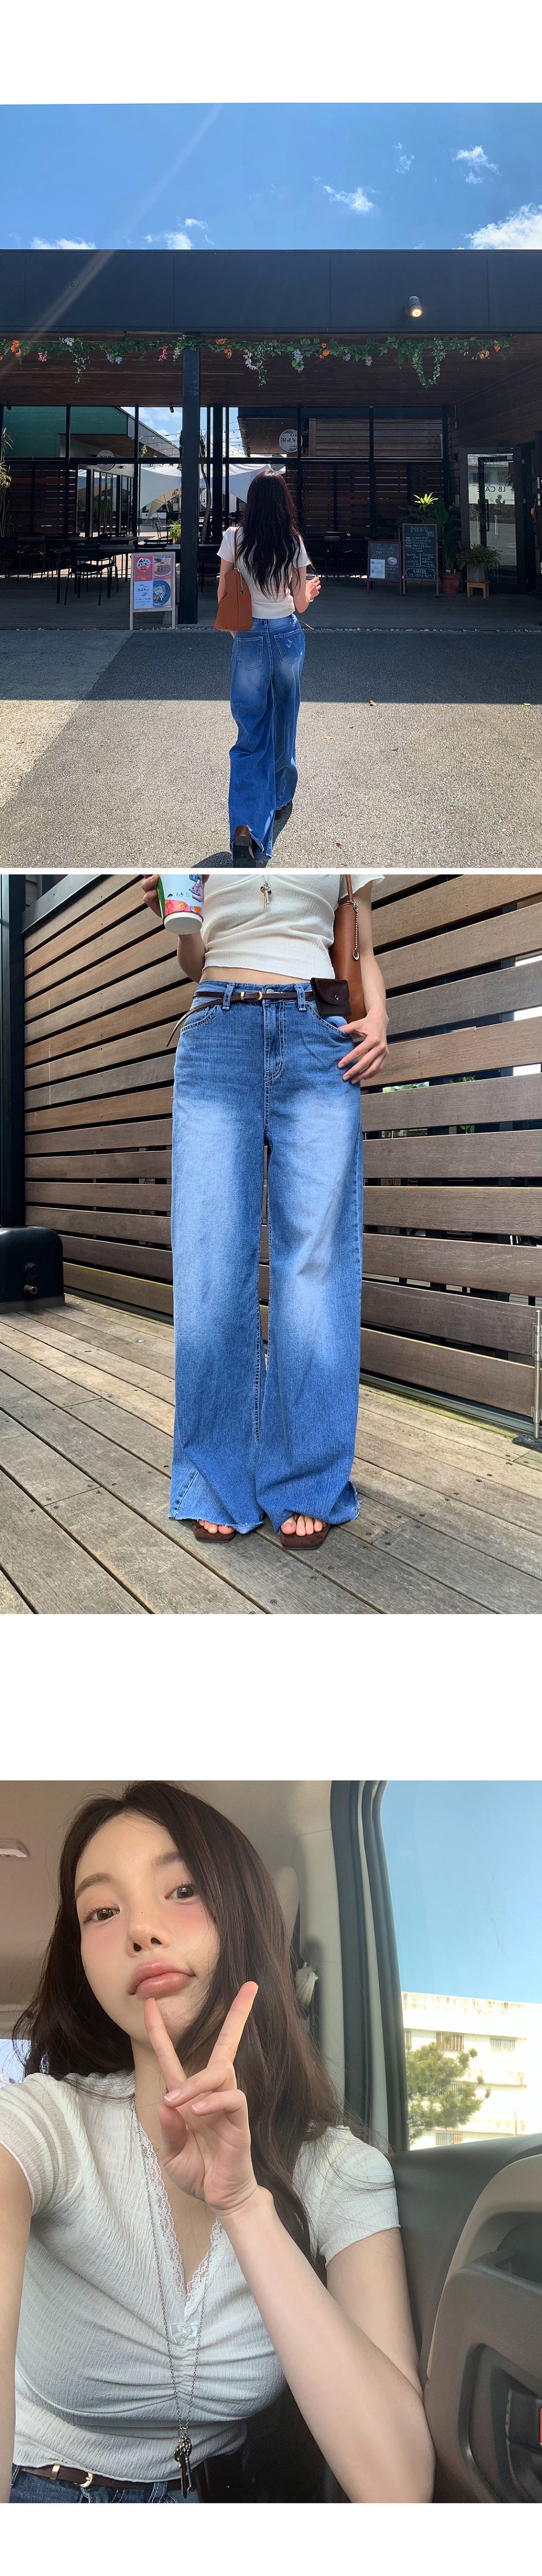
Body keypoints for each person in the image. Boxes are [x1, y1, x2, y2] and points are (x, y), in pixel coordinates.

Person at [1, 1782, 435, 2506]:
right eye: (102, 1911)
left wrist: (243, 2204)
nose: (141, 1929)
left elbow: (396, 2487)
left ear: (245, 1916)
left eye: (182, 1890)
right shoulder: (41, 2123)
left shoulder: (339, 2169)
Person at [141, 869, 389, 1549]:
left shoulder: (341, 841)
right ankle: (217, 1476)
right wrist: (176, 921)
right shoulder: (205, 839)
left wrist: (378, 1016)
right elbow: (194, 958)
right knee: (211, 1258)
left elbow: (364, 944)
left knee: (315, 1263)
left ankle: (305, 1478)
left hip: (316, 1032)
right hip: (216, 1025)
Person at [216, 474, 321, 862]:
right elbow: (300, 603)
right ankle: (279, 797)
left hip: (249, 638)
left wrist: (240, 635)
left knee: (250, 733)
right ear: (284, 502)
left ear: (252, 501)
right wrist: (309, 591)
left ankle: (245, 827)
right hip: (286, 636)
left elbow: (223, 595)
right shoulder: (293, 541)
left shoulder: (234, 538)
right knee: (285, 718)